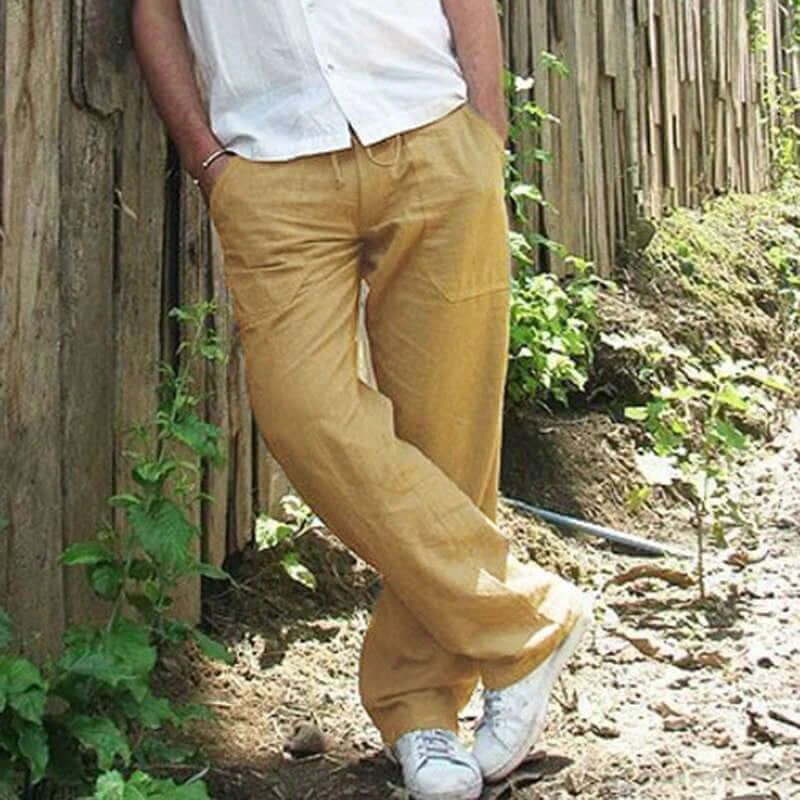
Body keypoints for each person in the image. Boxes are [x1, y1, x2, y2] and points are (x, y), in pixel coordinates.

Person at [132, 3, 593, 798]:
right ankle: (527, 620)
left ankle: (422, 713)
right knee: (302, 411)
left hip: (429, 130)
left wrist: (484, 130)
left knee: (449, 438)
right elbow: (156, 9)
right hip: (269, 164)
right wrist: (206, 159)